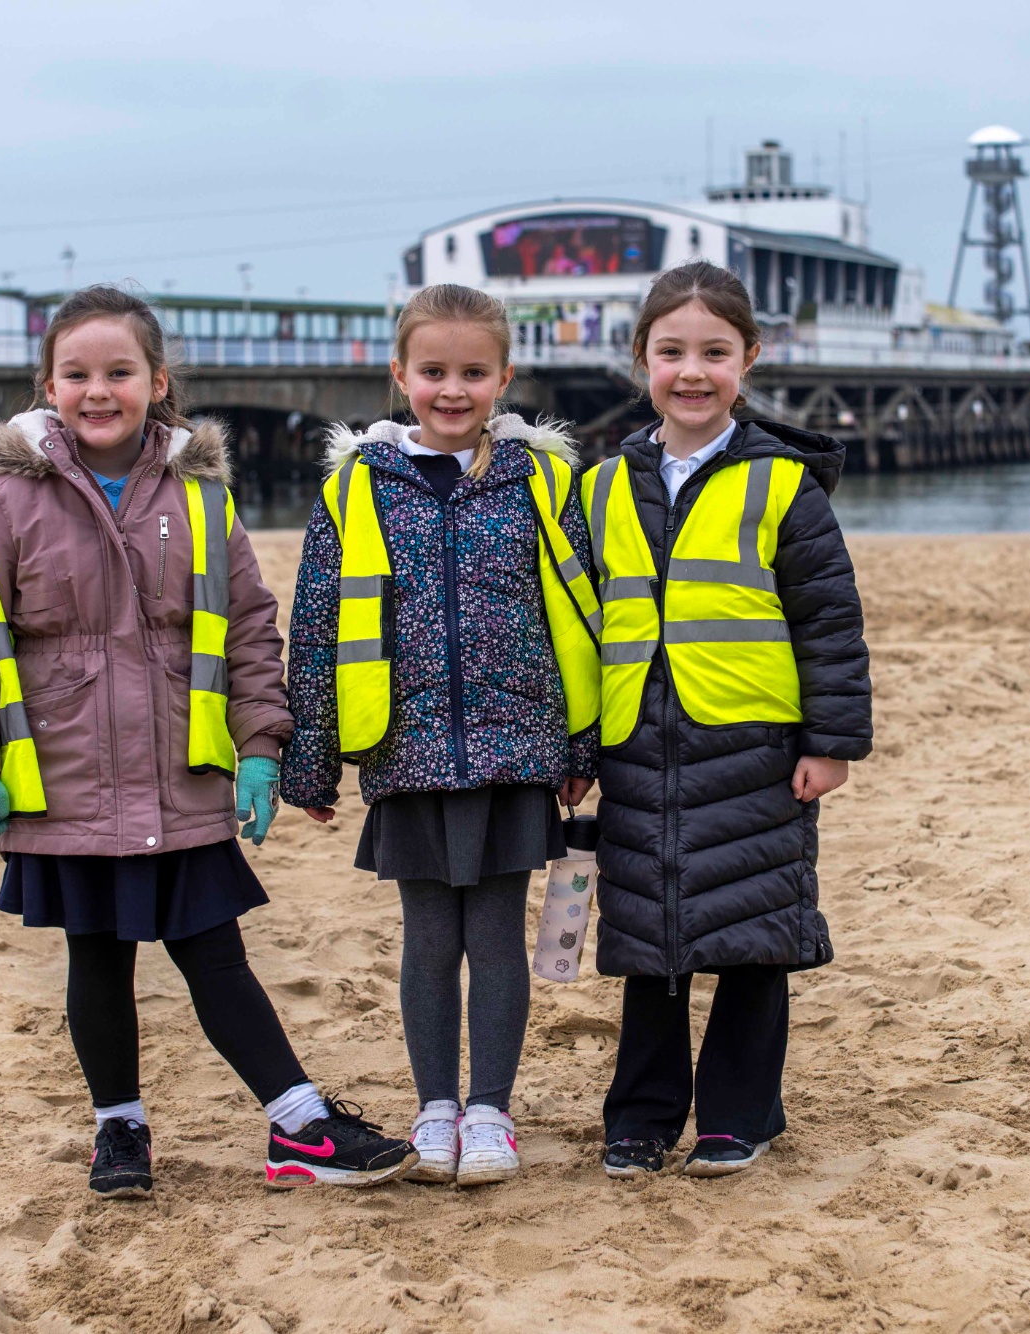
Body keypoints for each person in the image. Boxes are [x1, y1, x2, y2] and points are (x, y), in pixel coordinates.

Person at [0, 284, 414, 1197]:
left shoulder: (199, 494)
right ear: (48, 386)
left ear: (158, 382)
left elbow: (248, 626)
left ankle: (299, 1125)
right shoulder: (2, 502)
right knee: (96, 958)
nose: (97, 390)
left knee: (213, 950)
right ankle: (120, 1131)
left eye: (119, 372)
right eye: (77, 374)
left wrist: (262, 746)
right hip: (65, 779)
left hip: (179, 774)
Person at [282, 283, 602, 1188]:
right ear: (399, 375)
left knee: (499, 933)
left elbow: (580, 616)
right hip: (406, 746)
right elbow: (314, 626)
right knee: (427, 937)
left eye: (472, 372)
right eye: (433, 372)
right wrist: (311, 760)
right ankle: (433, 1110)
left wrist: (580, 748)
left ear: (505, 377)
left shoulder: (544, 482)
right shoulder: (354, 489)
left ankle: (491, 1111)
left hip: (516, 743)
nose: (451, 390)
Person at [584, 261, 872, 1179]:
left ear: (750, 357)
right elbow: (579, 626)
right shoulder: (600, 485)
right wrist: (576, 746)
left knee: (754, 940)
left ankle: (738, 1115)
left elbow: (828, 618)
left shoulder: (784, 484)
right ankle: (640, 1117)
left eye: (715, 352)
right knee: (647, 941)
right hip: (636, 740)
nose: (693, 372)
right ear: (641, 361)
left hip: (754, 744)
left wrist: (831, 744)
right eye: (671, 353)